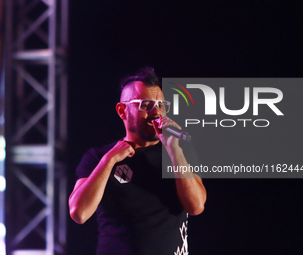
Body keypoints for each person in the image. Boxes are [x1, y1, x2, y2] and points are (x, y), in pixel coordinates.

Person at [69, 67, 206, 255]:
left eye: (161, 104)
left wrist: (174, 149)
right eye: (146, 104)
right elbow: (79, 212)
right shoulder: (98, 156)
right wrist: (109, 160)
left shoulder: (179, 151)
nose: (156, 112)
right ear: (122, 110)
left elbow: (196, 206)